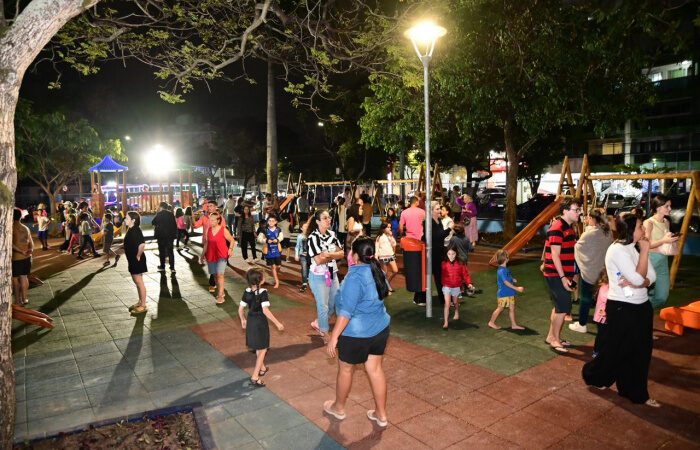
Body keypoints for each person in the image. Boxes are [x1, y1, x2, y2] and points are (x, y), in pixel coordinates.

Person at [582, 212, 659, 407]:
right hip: (621, 308)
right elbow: (637, 279)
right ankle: (595, 375)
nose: (643, 230)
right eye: (641, 226)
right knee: (615, 350)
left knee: (641, 351)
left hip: (642, 307)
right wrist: (644, 257)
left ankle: (635, 392)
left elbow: (650, 277)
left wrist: (642, 281)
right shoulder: (617, 251)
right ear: (631, 229)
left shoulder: (635, 248)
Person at [324, 237, 391, 428]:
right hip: (380, 329)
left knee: (346, 369)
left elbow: (345, 312)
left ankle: (338, 408)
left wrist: (334, 337)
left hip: (356, 334)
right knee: (375, 369)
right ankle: (381, 414)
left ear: (354, 255)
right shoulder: (377, 270)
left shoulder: (354, 277)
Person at [542, 199, 581, 354]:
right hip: (555, 274)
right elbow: (555, 255)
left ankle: (551, 336)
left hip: (563, 274)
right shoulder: (557, 227)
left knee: (559, 306)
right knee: (563, 307)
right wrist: (564, 278)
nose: (578, 213)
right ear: (565, 211)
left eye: (579, 210)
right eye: (576, 210)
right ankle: (555, 341)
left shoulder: (569, 228)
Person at [239, 268, 285, 387]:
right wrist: (277, 323)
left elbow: (240, 309)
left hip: (251, 321)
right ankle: (255, 376)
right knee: (263, 349)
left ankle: (262, 368)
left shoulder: (247, 291)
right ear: (260, 280)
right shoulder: (263, 292)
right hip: (260, 323)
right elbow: (265, 310)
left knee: (258, 347)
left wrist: (243, 319)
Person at [571, 208, 613, 333]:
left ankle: (582, 324)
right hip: (604, 271)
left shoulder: (590, 234)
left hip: (590, 271)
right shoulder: (608, 232)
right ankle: (605, 321)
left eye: (589, 218)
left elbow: (578, 247)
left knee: (585, 298)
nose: (587, 220)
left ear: (594, 219)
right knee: (603, 299)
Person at [307, 209, 344, 342]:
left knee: (335, 303)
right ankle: (324, 331)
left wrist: (328, 255)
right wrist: (332, 255)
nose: (329, 220)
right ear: (317, 221)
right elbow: (318, 260)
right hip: (318, 276)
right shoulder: (312, 238)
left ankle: (318, 322)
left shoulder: (332, 234)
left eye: (329, 217)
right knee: (323, 306)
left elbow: (342, 254)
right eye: (325, 218)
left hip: (332, 273)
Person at [643, 195, 679, 309]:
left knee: (662, 296)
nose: (670, 209)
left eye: (670, 206)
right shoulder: (649, 223)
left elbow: (664, 242)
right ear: (658, 207)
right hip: (650, 260)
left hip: (663, 260)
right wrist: (665, 240)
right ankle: (642, 313)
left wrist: (671, 239)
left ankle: (645, 310)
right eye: (667, 206)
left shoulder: (666, 222)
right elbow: (647, 245)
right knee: (641, 292)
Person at [200, 211, 235, 304]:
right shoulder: (209, 230)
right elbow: (207, 243)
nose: (210, 222)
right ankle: (221, 290)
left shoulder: (223, 230)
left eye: (213, 220)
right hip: (211, 255)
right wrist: (202, 255)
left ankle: (220, 296)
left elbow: (232, 240)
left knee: (220, 274)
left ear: (218, 220)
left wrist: (230, 249)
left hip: (221, 254)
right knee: (215, 275)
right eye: (210, 220)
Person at [488, 250, 525, 330]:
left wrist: (513, 279)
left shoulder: (505, 269)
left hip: (510, 293)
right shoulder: (501, 271)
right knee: (500, 308)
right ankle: (491, 322)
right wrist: (517, 288)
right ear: (505, 259)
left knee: (512, 308)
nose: (509, 257)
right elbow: (506, 282)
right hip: (503, 294)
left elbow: (508, 278)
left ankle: (514, 325)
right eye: (507, 256)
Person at [441, 245, 473, 329]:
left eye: (453, 254)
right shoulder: (443, 264)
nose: (451, 256)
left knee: (455, 302)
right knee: (447, 303)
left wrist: (469, 283)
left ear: (456, 254)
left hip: (456, 287)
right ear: (446, 254)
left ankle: (456, 311)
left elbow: (465, 274)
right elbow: (441, 275)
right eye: (449, 254)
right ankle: (446, 322)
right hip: (447, 286)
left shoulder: (460, 263)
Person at [123, 212, 148, 314]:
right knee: (137, 282)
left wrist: (138, 255)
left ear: (133, 220)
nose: (125, 219)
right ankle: (140, 301)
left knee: (139, 282)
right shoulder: (132, 229)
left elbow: (141, 245)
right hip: (133, 259)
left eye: (127, 218)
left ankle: (143, 305)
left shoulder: (136, 230)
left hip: (136, 259)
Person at [12, 208, 33, 305]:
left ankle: (18, 300)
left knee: (15, 279)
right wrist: (29, 251)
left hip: (16, 258)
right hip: (27, 257)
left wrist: (20, 251)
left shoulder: (10, 228)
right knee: (24, 277)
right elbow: (31, 242)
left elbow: (10, 244)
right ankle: (24, 299)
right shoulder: (26, 228)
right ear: (20, 216)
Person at [152, 201, 178, 273]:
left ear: (161, 207)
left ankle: (162, 266)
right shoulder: (171, 214)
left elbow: (153, 222)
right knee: (170, 252)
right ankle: (172, 268)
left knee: (162, 251)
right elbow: (174, 225)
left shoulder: (159, 214)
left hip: (161, 236)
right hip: (170, 236)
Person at [261, 214, 283, 288]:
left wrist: (277, 240)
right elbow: (259, 238)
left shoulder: (278, 229)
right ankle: (277, 282)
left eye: (273, 221)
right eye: (269, 221)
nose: (271, 222)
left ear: (276, 222)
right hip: (269, 251)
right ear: (267, 222)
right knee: (273, 267)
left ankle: (275, 275)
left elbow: (281, 237)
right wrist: (266, 240)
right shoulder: (264, 230)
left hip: (277, 251)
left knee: (279, 266)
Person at [591, 269, 609, 357]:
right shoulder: (605, 287)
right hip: (602, 317)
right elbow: (607, 298)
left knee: (605, 335)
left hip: (603, 316)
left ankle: (600, 350)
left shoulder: (605, 286)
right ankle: (596, 351)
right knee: (602, 335)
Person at [375, 222, 397, 293]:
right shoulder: (379, 237)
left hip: (391, 255)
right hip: (382, 256)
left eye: (390, 227)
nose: (390, 228)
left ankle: (387, 284)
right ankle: (387, 287)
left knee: (395, 270)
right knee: (384, 273)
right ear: (384, 228)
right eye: (388, 227)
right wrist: (376, 257)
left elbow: (394, 244)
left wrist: (391, 236)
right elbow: (376, 247)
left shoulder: (390, 236)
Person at [295, 222, 311, 292]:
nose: (306, 227)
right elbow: (297, 246)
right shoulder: (300, 236)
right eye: (304, 226)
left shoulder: (311, 235)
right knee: (304, 269)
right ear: (301, 228)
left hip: (311, 256)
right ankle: (304, 283)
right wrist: (296, 254)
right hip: (303, 255)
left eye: (307, 226)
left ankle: (308, 279)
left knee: (310, 269)